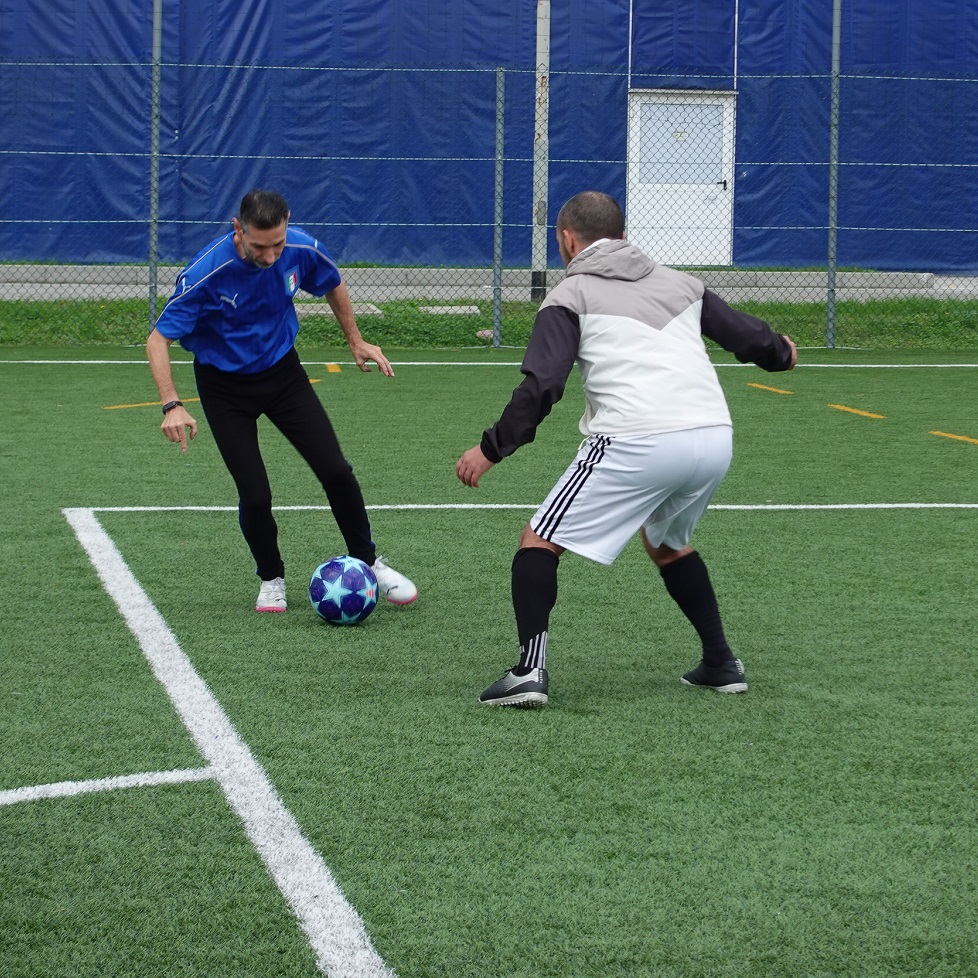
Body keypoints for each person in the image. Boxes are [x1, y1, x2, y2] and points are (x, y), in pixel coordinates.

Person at [456, 190, 796, 707]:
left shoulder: (570, 294)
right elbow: (749, 337)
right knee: (666, 543)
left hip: (637, 438)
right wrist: (782, 353)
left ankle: (528, 672)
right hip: (711, 436)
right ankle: (721, 663)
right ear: (623, 235)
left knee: (538, 540)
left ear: (567, 240)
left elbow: (543, 384)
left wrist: (492, 448)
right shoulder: (682, 283)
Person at [147, 188, 417, 612]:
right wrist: (171, 403)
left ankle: (368, 562)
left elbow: (332, 282)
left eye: (277, 244)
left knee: (336, 470)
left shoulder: (301, 248)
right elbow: (158, 338)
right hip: (223, 387)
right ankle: (271, 577)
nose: (271, 256)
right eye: (259, 246)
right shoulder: (206, 272)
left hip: (282, 375)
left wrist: (355, 339)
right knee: (254, 494)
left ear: (287, 223)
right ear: (238, 230)